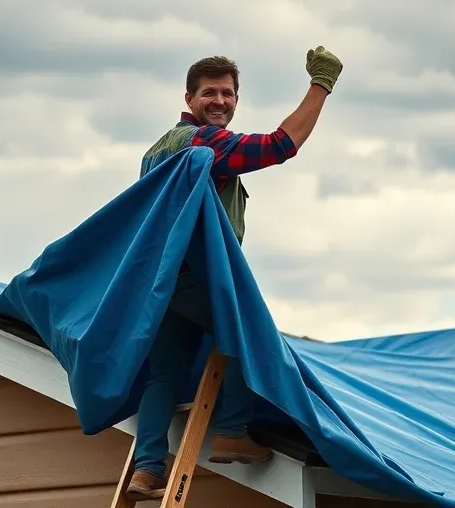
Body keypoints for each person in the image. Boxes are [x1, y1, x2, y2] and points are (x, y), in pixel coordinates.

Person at [125, 46, 343, 500]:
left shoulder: (155, 150)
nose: (220, 101)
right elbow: (280, 145)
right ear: (189, 99)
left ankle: (146, 468)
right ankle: (230, 430)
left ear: (237, 99)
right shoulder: (205, 144)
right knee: (248, 332)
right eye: (210, 93)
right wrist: (321, 84)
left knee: (164, 374)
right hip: (193, 276)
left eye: (227, 93)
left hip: (159, 283)